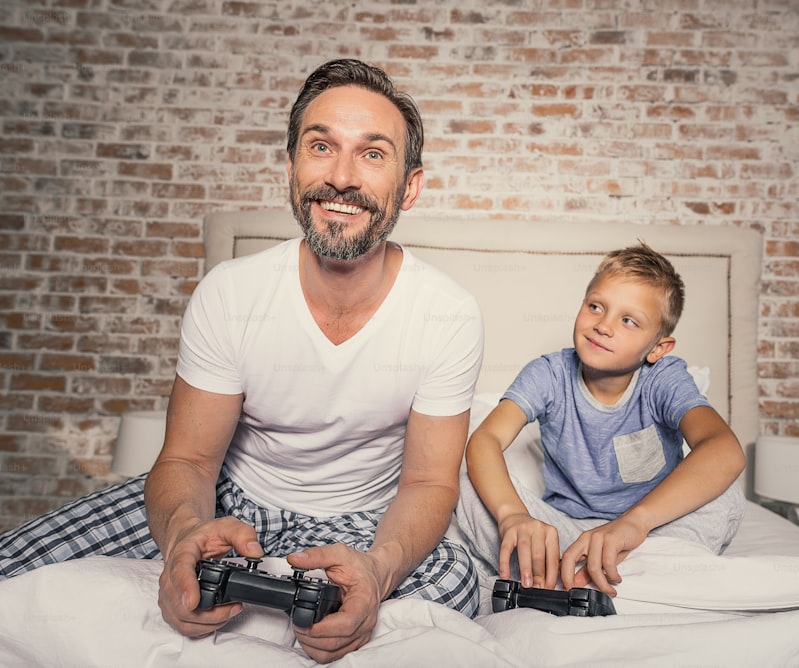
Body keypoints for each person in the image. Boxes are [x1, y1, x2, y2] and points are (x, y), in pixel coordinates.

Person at [0, 59, 483, 663]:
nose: (341, 177)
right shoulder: (230, 293)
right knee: (9, 566)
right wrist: (182, 537)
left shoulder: (449, 313)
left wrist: (379, 569)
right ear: (291, 167)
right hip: (232, 497)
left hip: (360, 516)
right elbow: (188, 458)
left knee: (459, 585)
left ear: (409, 186)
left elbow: (429, 482)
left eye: (373, 154)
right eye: (320, 146)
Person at [458, 243, 745, 599]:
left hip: (649, 532)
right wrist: (512, 515)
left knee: (726, 494)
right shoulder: (549, 374)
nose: (603, 326)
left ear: (657, 348)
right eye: (596, 306)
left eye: (628, 320)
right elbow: (485, 441)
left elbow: (725, 450)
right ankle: (585, 577)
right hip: (566, 532)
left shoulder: (663, 378)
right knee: (466, 480)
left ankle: (577, 581)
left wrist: (633, 523)